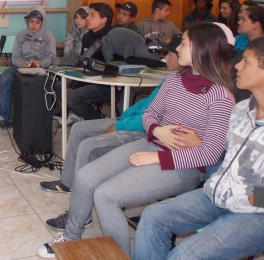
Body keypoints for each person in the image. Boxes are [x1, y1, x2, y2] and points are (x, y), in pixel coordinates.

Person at [37, 23, 236, 258]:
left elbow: (211, 153)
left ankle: (119, 255)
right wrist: (157, 131)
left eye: (183, 43)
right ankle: (70, 237)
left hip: (184, 165)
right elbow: (150, 114)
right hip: (152, 144)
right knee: (85, 176)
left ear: (201, 49)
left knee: (106, 195)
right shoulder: (174, 80)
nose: (177, 48)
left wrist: (157, 157)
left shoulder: (221, 95)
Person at [133, 38, 264, 260]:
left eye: (246, 62)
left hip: (256, 214)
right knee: (153, 216)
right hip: (218, 196)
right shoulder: (242, 110)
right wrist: (200, 143)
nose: (237, 66)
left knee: (184, 256)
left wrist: (251, 197)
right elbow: (225, 153)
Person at [38, 34, 184, 232]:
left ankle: (82, 215)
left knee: (88, 147)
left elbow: (149, 118)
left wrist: (121, 125)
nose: (165, 58)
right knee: (80, 129)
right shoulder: (173, 79)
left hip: (141, 132)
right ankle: (67, 183)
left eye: (170, 55)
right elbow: (145, 106)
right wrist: (121, 120)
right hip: (132, 122)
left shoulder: (184, 87)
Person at [0, 6, 56, 131]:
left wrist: (39, 64)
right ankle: (6, 118)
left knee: (36, 84)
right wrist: (21, 63)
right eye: (31, 21)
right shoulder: (21, 35)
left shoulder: (48, 35)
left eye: (37, 22)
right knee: (5, 77)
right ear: (27, 21)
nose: (34, 25)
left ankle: (37, 118)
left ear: (42, 22)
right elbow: (15, 58)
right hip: (21, 67)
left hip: (41, 68)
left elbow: (51, 58)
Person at [56, 3, 114, 123]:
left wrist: (73, 89)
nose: (87, 18)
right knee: (58, 86)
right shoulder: (87, 36)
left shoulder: (112, 36)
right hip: (88, 78)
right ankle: (78, 114)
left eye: (92, 15)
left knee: (71, 97)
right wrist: (72, 87)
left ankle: (100, 121)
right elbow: (85, 64)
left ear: (103, 20)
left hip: (106, 84)